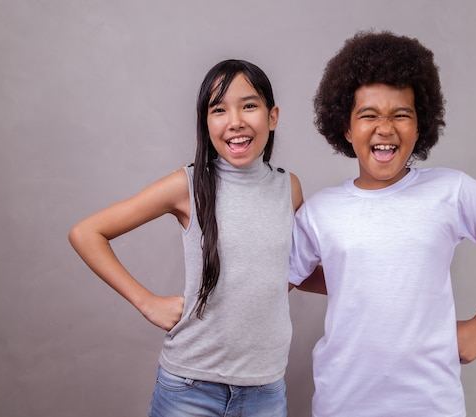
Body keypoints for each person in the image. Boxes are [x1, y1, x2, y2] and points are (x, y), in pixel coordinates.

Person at [289, 31, 476, 417]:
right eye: (368, 115)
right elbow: (282, 275)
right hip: (343, 402)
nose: (385, 128)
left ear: (421, 125)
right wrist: (350, 278)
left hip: (431, 403)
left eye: (400, 115)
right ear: (346, 128)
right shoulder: (321, 211)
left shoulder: (450, 191)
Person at [69, 59, 303, 417]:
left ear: (273, 117)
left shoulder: (289, 188)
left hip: (265, 391)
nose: (235, 121)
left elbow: (284, 271)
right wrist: (147, 302)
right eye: (219, 109)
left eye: (249, 105)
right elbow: (86, 233)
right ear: (206, 123)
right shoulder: (188, 186)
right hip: (189, 389)